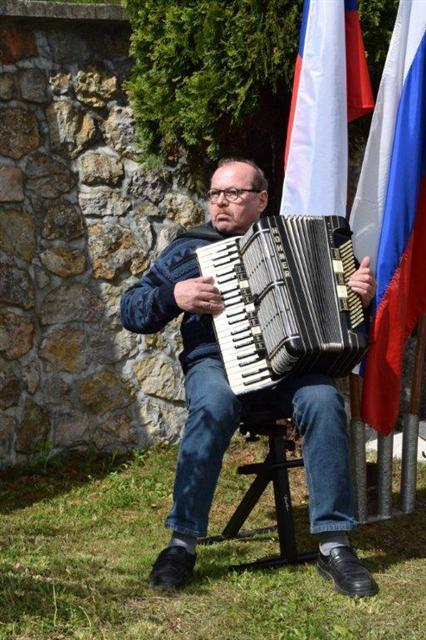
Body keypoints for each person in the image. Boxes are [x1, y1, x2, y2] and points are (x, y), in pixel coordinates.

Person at [120, 159, 378, 597]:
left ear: (261, 200)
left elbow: (343, 320)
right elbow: (132, 308)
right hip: (216, 365)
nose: (220, 202)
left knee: (323, 400)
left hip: (289, 368)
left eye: (233, 193)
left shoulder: (305, 241)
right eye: (215, 193)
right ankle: (181, 544)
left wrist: (358, 296)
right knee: (213, 404)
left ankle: (334, 545)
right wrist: (173, 294)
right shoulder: (190, 250)